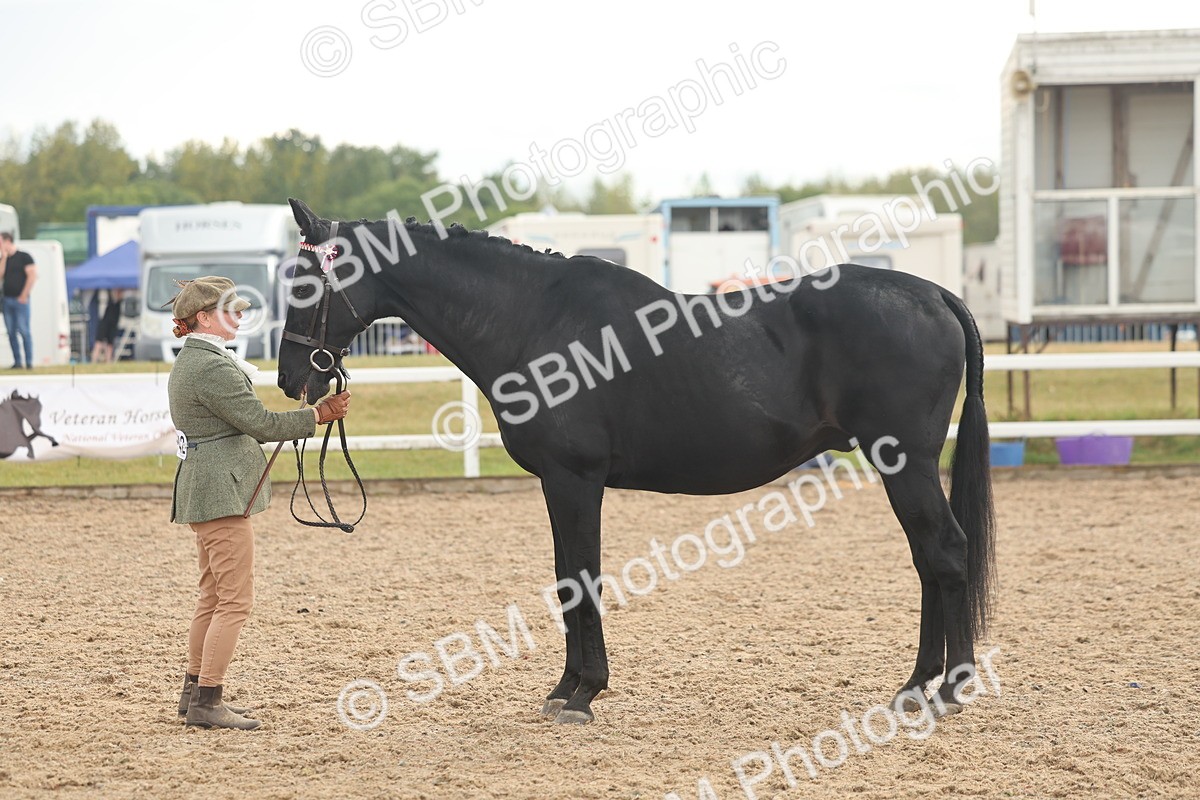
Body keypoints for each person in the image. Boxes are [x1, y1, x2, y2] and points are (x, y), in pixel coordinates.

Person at [167, 276, 351, 730]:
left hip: (209, 488)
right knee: (234, 602)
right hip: (221, 493)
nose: (241, 316)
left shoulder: (201, 360)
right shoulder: (210, 367)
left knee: (212, 597)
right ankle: (208, 699)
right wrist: (317, 415)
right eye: (232, 310)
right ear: (205, 319)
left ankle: (194, 696)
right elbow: (261, 423)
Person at [1, 231, 37, 369]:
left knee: (24, 330)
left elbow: (32, 275)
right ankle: (17, 362)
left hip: (21, 300)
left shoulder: (24, 257)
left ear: (7, 241)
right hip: (7, 300)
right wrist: (3, 258)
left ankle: (29, 362)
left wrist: (24, 295)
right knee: (11, 332)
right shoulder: (4, 259)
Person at [90, 289, 125, 363]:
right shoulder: (109, 301)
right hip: (105, 323)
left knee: (109, 344)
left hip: (112, 324)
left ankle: (108, 360)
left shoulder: (118, 303)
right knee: (99, 343)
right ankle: (94, 360)